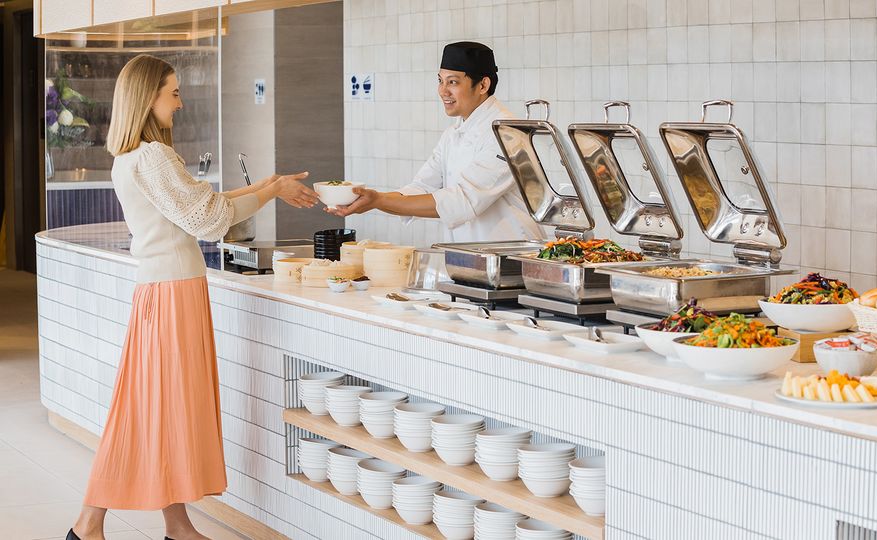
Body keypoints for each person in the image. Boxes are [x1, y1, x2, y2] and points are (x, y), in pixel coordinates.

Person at [67, 54, 319, 540]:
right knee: (148, 410)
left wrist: (270, 185)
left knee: (165, 409)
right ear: (149, 98)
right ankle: (88, 524)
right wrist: (271, 191)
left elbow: (203, 206)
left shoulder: (129, 157)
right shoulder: (154, 157)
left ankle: (175, 524)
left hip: (162, 291)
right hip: (173, 295)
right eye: (174, 92)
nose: (180, 103)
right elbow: (207, 219)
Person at [327, 41, 545, 242]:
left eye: (453, 82)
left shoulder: (507, 132)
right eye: (440, 81)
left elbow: (463, 201)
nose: (443, 91)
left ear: (482, 85)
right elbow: (421, 187)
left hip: (513, 261)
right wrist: (368, 200)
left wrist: (377, 201)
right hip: (470, 260)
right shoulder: (453, 134)